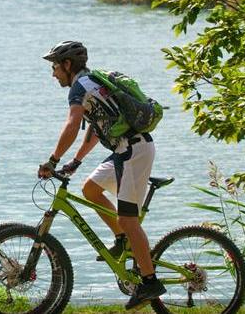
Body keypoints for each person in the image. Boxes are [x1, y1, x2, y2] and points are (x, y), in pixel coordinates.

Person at [38, 41, 166, 309]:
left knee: (128, 219)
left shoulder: (79, 87)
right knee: (90, 190)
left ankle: (150, 281)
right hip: (125, 149)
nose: (53, 73)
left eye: (55, 67)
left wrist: (53, 160)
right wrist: (76, 161)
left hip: (134, 151)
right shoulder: (92, 83)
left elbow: (73, 124)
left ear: (67, 65)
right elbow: (98, 127)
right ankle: (121, 239)